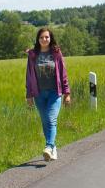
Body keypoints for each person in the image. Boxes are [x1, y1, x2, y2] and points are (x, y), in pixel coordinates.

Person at [25, 27, 71, 161]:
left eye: (46, 37)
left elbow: (63, 74)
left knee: (51, 119)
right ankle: (52, 148)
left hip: (54, 93)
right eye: (41, 37)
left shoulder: (56, 53)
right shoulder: (33, 55)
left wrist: (67, 93)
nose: (44, 39)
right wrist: (29, 96)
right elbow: (29, 76)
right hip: (38, 94)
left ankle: (49, 146)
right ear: (38, 39)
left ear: (50, 38)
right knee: (45, 122)